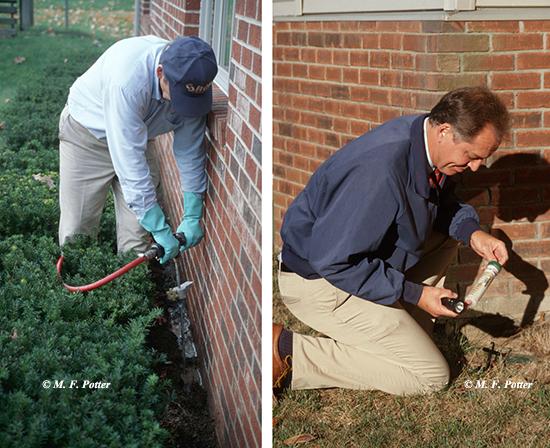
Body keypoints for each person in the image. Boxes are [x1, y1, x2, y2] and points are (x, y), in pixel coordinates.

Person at [274, 87, 510, 396]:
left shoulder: (423, 143)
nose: (477, 167)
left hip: (354, 264)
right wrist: (414, 293)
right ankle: (286, 352)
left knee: (447, 239)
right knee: (430, 376)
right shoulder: (379, 171)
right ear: (444, 131)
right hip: (320, 283)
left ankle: (400, 330)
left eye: (483, 158)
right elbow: (333, 260)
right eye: (472, 156)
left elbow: (438, 205)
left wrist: (472, 232)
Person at [58, 35, 217, 264]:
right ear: (160, 73)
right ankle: (78, 291)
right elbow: (129, 162)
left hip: (137, 139)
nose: (182, 105)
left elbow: (190, 152)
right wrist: (161, 231)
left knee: (138, 237)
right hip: (87, 138)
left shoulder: (193, 87)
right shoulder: (127, 80)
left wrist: (192, 215)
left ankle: (126, 292)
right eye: (179, 94)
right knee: (77, 230)